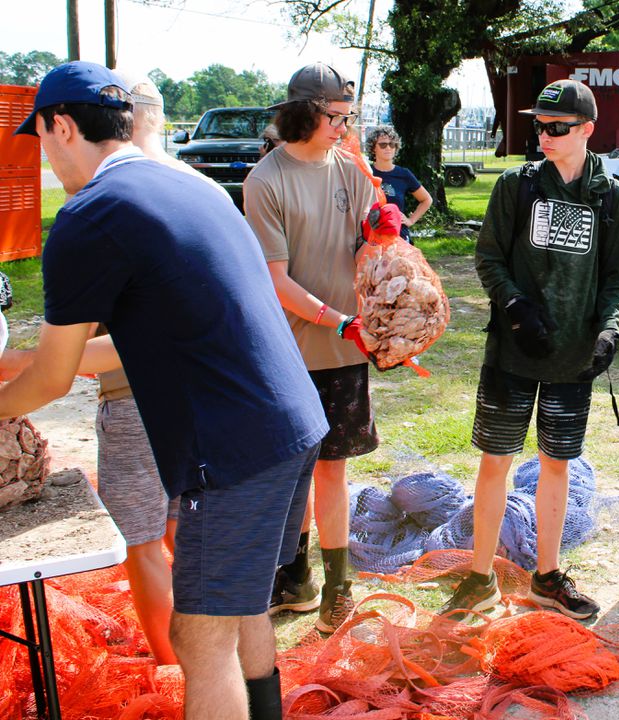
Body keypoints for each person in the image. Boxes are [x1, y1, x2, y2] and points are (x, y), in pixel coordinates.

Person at [6, 61, 328, 720]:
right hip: (294, 422)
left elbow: (53, 376)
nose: (41, 155)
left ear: (61, 126)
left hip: (234, 448)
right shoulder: (193, 186)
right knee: (239, 606)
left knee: (199, 638)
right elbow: (152, 333)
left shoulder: (88, 214)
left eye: (37, 137)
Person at [443, 79, 619, 619]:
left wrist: (607, 329)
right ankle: (479, 578)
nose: (545, 136)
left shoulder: (610, 195)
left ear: (588, 130)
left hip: (572, 360)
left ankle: (546, 578)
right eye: (540, 127)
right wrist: (516, 307)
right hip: (512, 353)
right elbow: (489, 259)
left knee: (557, 465)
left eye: (558, 128)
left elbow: (617, 276)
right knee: (495, 462)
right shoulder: (515, 186)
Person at [242, 62, 378, 636]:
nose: (344, 128)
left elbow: (371, 235)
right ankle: (295, 579)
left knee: (331, 473)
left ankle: (339, 587)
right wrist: (339, 320)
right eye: (335, 117)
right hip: (289, 353)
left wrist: (385, 225)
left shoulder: (347, 166)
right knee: (292, 475)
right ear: (302, 112)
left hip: (346, 353)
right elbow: (275, 282)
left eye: (349, 117)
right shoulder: (264, 180)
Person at [368, 126, 432, 241]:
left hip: (399, 237)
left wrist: (411, 220)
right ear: (373, 148)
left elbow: (427, 199)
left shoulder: (404, 174)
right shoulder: (366, 172)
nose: (388, 148)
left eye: (392, 144)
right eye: (383, 145)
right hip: (370, 236)